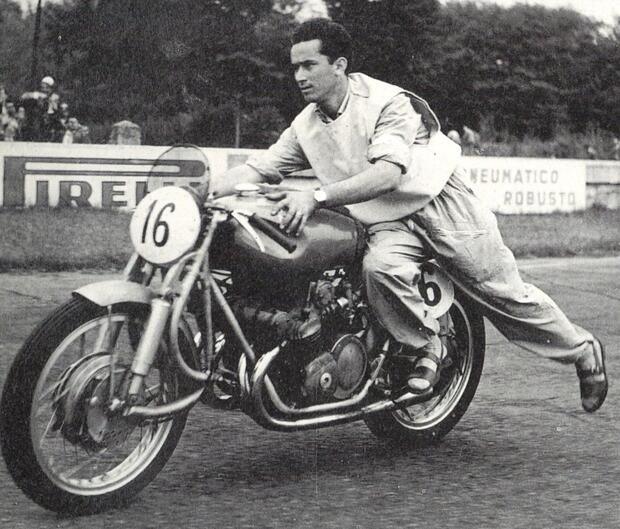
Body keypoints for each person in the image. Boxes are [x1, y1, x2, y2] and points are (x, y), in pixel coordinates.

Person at [198, 18, 607, 412]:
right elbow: (260, 168)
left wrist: (316, 196)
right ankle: (426, 346)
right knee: (380, 269)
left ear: (339, 65)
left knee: (500, 293)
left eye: (309, 65)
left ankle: (582, 350)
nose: (299, 76)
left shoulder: (387, 102)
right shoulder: (306, 125)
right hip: (387, 219)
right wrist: (201, 192)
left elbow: (388, 173)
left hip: (440, 204)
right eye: (295, 68)